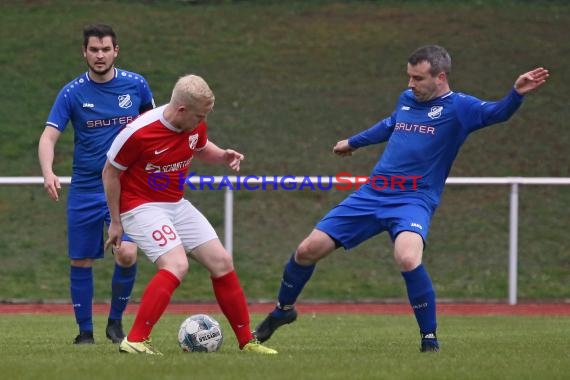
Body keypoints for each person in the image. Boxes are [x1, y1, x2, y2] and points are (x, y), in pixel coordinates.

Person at [254, 45, 549, 352]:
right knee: (307, 249)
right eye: (409, 76)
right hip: (373, 192)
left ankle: (429, 339)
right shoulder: (408, 99)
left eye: (418, 78)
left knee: (407, 257)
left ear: (441, 77)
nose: (410, 84)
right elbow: (391, 124)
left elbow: (496, 113)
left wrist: (516, 93)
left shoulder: (461, 108)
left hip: (413, 199)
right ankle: (282, 311)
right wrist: (353, 142)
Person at [102, 74, 277, 355]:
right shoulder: (138, 133)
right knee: (176, 264)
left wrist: (222, 155)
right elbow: (110, 172)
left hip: (176, 204)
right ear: (181, 109)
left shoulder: (194, 123)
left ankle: (247, 342)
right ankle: (134, 340)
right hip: (140, 206)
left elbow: (200, 146)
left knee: (221, 261)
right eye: (199, 115)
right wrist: (116, 220)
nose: (202, 121)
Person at [38, 24, 155, 345]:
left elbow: (154, 128)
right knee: (81, 260)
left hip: (127, 188)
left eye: (105, 49)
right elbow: (49, 136)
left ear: (116, 50)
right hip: (87, 188)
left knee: (128, 254)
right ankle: (85, 332)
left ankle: (115, 324)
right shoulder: (72, 92)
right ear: (84, 53)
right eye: (94, 49)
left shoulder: (136, 86)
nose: (100, 55)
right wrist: (48, 171)